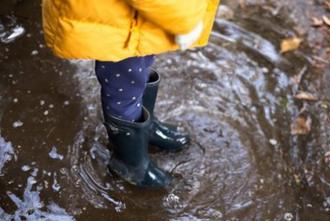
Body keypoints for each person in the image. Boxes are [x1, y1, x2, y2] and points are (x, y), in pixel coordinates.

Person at [42, 0, 219, 188]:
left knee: (141, 65)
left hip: (135, 20)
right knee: (125, 86)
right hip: (116, 21)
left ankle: (145, 129)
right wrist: (184, 21)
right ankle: (129, 162)